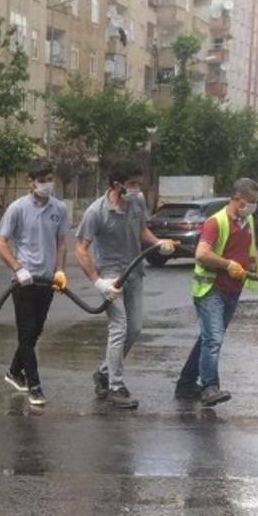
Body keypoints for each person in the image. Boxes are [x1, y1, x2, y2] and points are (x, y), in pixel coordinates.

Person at [75, 160, 176, 410]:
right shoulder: (96, 212)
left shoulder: (137, 202)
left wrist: (158, 243)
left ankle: (104, 373)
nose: (137, 189)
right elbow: (81, 249)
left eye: (139, 184)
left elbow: (142, 231)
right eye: (132, 184)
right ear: (117, 185)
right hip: (111, 278)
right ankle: (116, 386)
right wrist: (98, 283)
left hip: (135, 272)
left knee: (135, 329)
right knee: (119, 327)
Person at [174, 178, 258, 407]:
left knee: (207, 339)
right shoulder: (216, 222)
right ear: (235, 198)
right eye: (249, 202)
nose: (252, 206)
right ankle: (209, 387)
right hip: (210, 288)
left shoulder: (248, 220)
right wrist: (227, 264)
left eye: (255, 202)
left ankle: (185, 385)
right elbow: (202, 254)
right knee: (213, 339)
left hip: (233, 290)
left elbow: (253, 251)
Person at [0, 159, 69, 408]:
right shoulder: (17, 208)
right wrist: (18, 268)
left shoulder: (59, 208)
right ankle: (34, 386)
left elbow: (61, 243)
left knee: (35, 331)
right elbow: (0, 244)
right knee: (26, 333)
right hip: (24, 281)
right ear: (31, 182)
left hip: (46, 280)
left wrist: (60, 271)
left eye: (50, 179)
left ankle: (14, 372)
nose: (47, 184)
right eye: (42, 180)